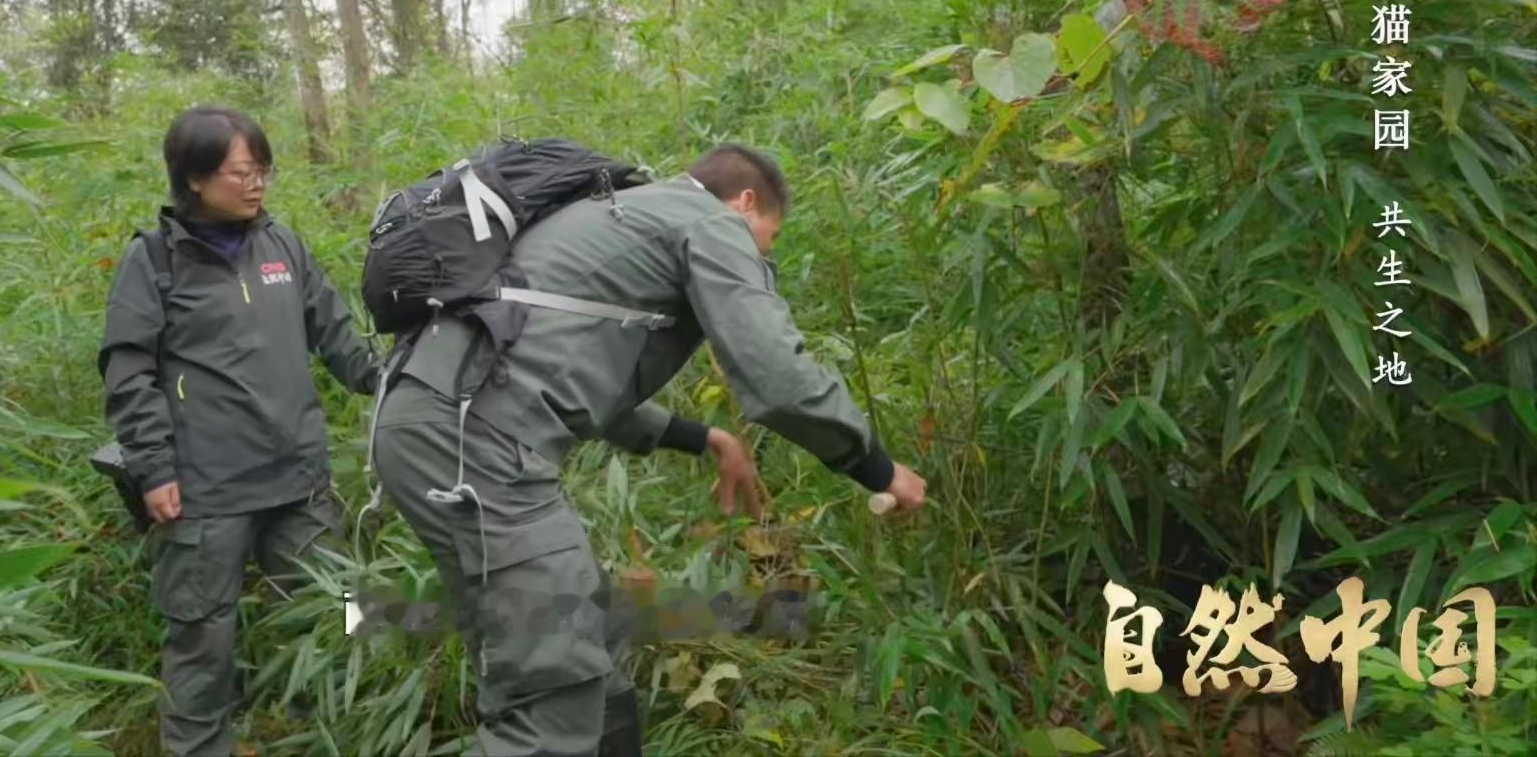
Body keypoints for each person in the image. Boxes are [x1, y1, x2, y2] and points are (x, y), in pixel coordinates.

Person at [368, 142, 928, 757]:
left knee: (583, 637)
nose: (763, 253)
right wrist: (877, 467)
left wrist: (703, 437)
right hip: (477, 448)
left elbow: (571, 372)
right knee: (551, 696)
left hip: (435, 428)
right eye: (768, 238)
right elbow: (780, 379)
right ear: (744, 202)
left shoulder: (620, 215)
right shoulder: (708, 222)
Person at [99, 105, 382, 757]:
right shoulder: (153, 263)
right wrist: (154, 467)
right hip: (203, 492)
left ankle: (329, 740)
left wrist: (403, 384)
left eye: (264, 171)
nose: (257, 184)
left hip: (301, 483)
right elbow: (128, 369)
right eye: (241, 172)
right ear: (194, 178)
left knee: (332, 622)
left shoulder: (283, 246)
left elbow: (342, 340)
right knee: (201, 646)